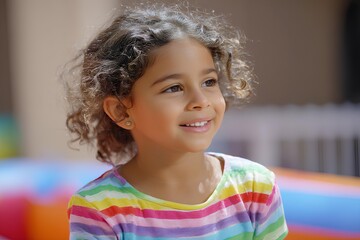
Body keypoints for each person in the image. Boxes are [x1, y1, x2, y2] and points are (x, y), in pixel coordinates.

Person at [65, 3, 288, 239]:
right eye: (174, 88)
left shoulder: (255, 187)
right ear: (121, 111)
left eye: (209, 82)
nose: (200, 101)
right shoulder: (99, 208)